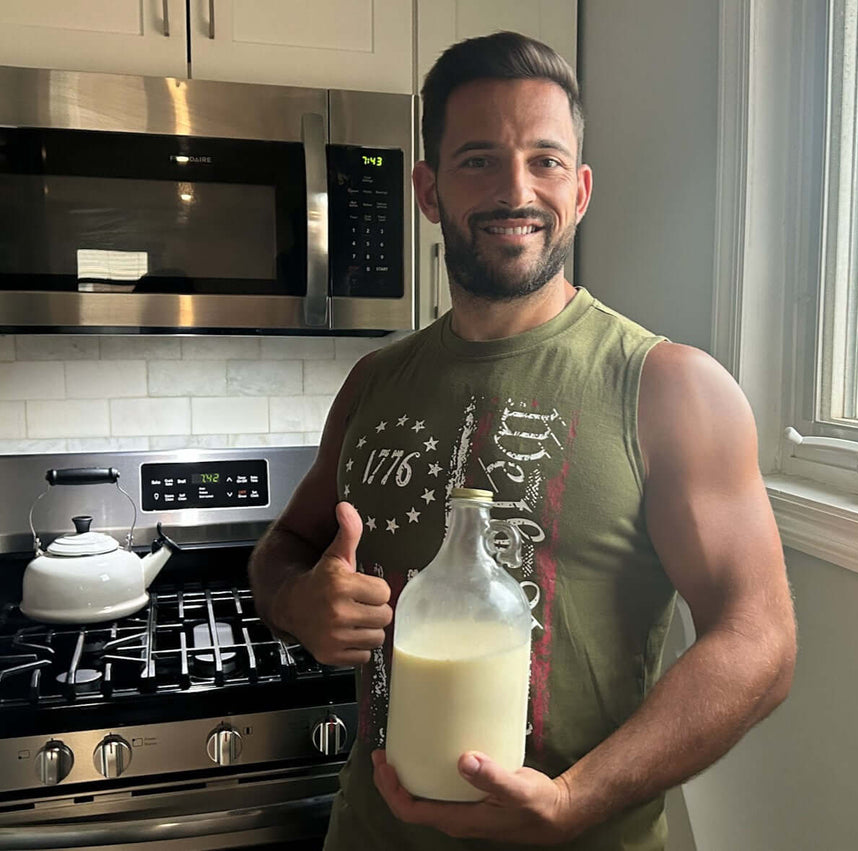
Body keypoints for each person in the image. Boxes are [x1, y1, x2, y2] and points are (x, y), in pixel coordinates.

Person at [248, 31, 796, 851]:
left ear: (578, 191)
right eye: (479, 160)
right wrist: (299, 602)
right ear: (428, 190)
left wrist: (574, 798)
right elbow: (283, 545)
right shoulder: (374, 382)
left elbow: (760, 641)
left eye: (544, 161)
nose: (516, 189)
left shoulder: (671, 387)